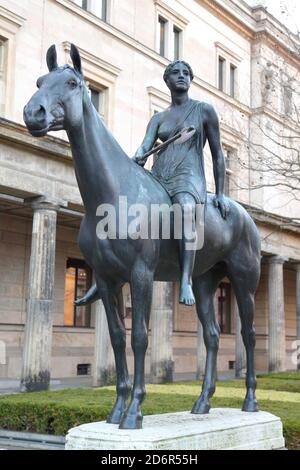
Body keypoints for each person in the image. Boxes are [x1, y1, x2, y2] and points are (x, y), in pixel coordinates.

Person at [133, 60, 229, 306]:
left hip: (188, 177)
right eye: (176, 73)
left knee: (186, 210)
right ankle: (116, 269)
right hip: (159, 177)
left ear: (191, 80)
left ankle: (185, 279)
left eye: (186, 73)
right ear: (167, 80)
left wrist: (220, 193)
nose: (182, 76)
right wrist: (139, 156)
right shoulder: (158, 118)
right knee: (125, 212)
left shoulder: (203, 110)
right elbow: (146, 145)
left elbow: (218, 155)